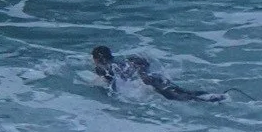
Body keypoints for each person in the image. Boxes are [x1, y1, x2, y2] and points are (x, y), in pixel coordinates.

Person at [92, 45, 224, 102]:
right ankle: (214, 96)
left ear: (96, 59)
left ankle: (210, 101)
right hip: (155, 77)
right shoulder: (123, 60)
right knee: (184, 91)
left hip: (146, 83)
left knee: (178, 98)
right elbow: (143, 62)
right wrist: (143, 73)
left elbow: (112, 86)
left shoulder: (104, 68)